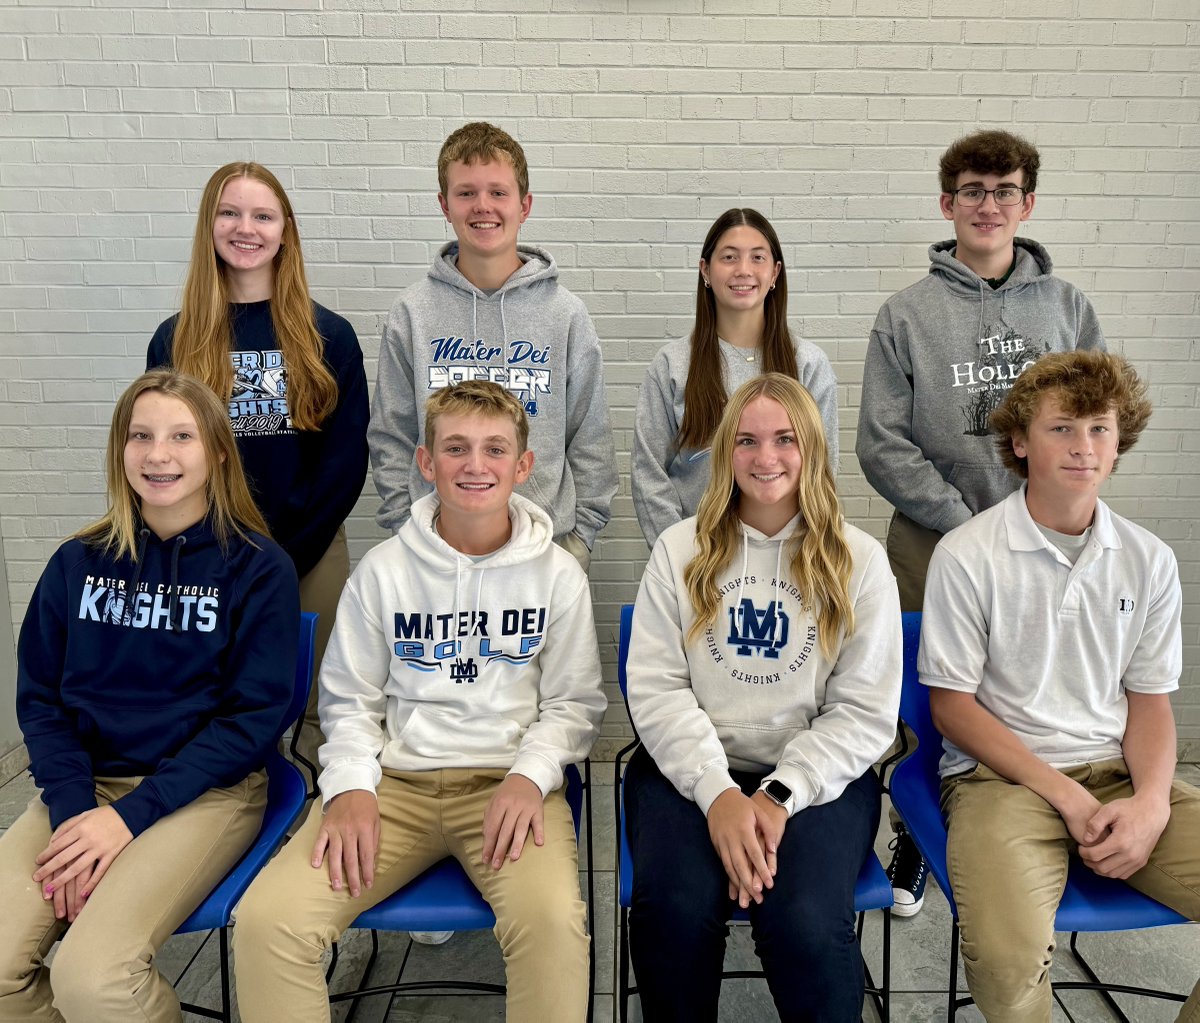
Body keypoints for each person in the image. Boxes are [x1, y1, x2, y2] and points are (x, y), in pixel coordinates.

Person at [233, 380, 606, 1023]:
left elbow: (574, 704)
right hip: (393, 787)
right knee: (270, 922)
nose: (475, 465)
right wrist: (349, 785)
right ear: (426, 462)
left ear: (523, 466)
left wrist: (530, 777)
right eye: (456, 447)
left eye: (494, 449)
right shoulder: (381, 572)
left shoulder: (558, 575)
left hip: (507, 786)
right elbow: (348, 701)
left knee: (552, 926)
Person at [856, 129, 1106, 915]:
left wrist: (1041, 516)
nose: (988, 205)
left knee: (1033, 692)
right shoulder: (905, 314)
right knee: (931, 702)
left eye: (1003, 191)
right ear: (947, 203)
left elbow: (1095, 426)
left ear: (1026, 203)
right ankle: (919, 838)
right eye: (972, 190)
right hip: (934, 545)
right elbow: (880, 442)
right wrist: (966, 524)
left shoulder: (1067, 308)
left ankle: (1041, 825)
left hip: (1054, 548)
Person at [0, 370, 299, 1023]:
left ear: (218, 450)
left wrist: (129, 817)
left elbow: (251, 722)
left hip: (202, 792)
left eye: (181, 436)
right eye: (141, 435)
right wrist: (81, 813)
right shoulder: (75, 563)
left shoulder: (257, 568)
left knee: (94, 979)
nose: (158, 454)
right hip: (85, 788)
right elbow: (42, 702)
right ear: (120, 449)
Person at [919, 350, 1199, 1022]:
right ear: (1019, 441)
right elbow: (952, 707)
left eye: (1100, 429)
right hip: (1001, 781)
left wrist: (1154, 802)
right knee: (1008, 966)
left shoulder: (1148, 559)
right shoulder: (966, 553)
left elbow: (1150, 700)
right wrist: (1068, 797)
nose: (1084, 447)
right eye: (1062, 428)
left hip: (1120, 775)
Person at [625, 373, 901, 1021]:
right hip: (686, 771)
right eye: (746, 440)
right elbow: (657, 689)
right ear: (726, 453)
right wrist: (719, 793)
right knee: (674, 914)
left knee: (803, 923)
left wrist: (777, 797)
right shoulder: (679, 549)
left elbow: (864, 713)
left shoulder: (859, 560)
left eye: (785, 439)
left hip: (818, 781)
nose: (766, 457)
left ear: (812, 449)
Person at [146, 161, 368, 772]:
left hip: (311, 549)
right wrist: (218, 549)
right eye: (230, 213)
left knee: (326, 703)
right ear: (209, 225)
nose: (247, 228)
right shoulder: (175, 340)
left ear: (284, 230)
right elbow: (162, 459)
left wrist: (283, 554)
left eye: (262, 215)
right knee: (223, 697)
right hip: (210, 552)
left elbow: (345, 462)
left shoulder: (329, 336)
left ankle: (320, 825)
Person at [368, 121, 617, 573]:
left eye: (498, 193)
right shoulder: (411, 313)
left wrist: (578, 537)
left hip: (547, 547)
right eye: (466, 193)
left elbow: (590, 436)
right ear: (444, 205)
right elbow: (391, 434)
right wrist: (406, 527)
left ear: (524, 205)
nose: (483, 206)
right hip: (435, 551)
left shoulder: (565, 314)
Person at [633, 207, 839, 549]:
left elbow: (822, 470)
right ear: (706, 271)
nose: (743, 270)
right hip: (697, 556)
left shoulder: (809, 365)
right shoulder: (672, 365)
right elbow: (648, 473)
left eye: (757, 258)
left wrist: (798, 552)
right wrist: (682, 553)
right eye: (729, 257)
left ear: (775, 273)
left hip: (788, 559)